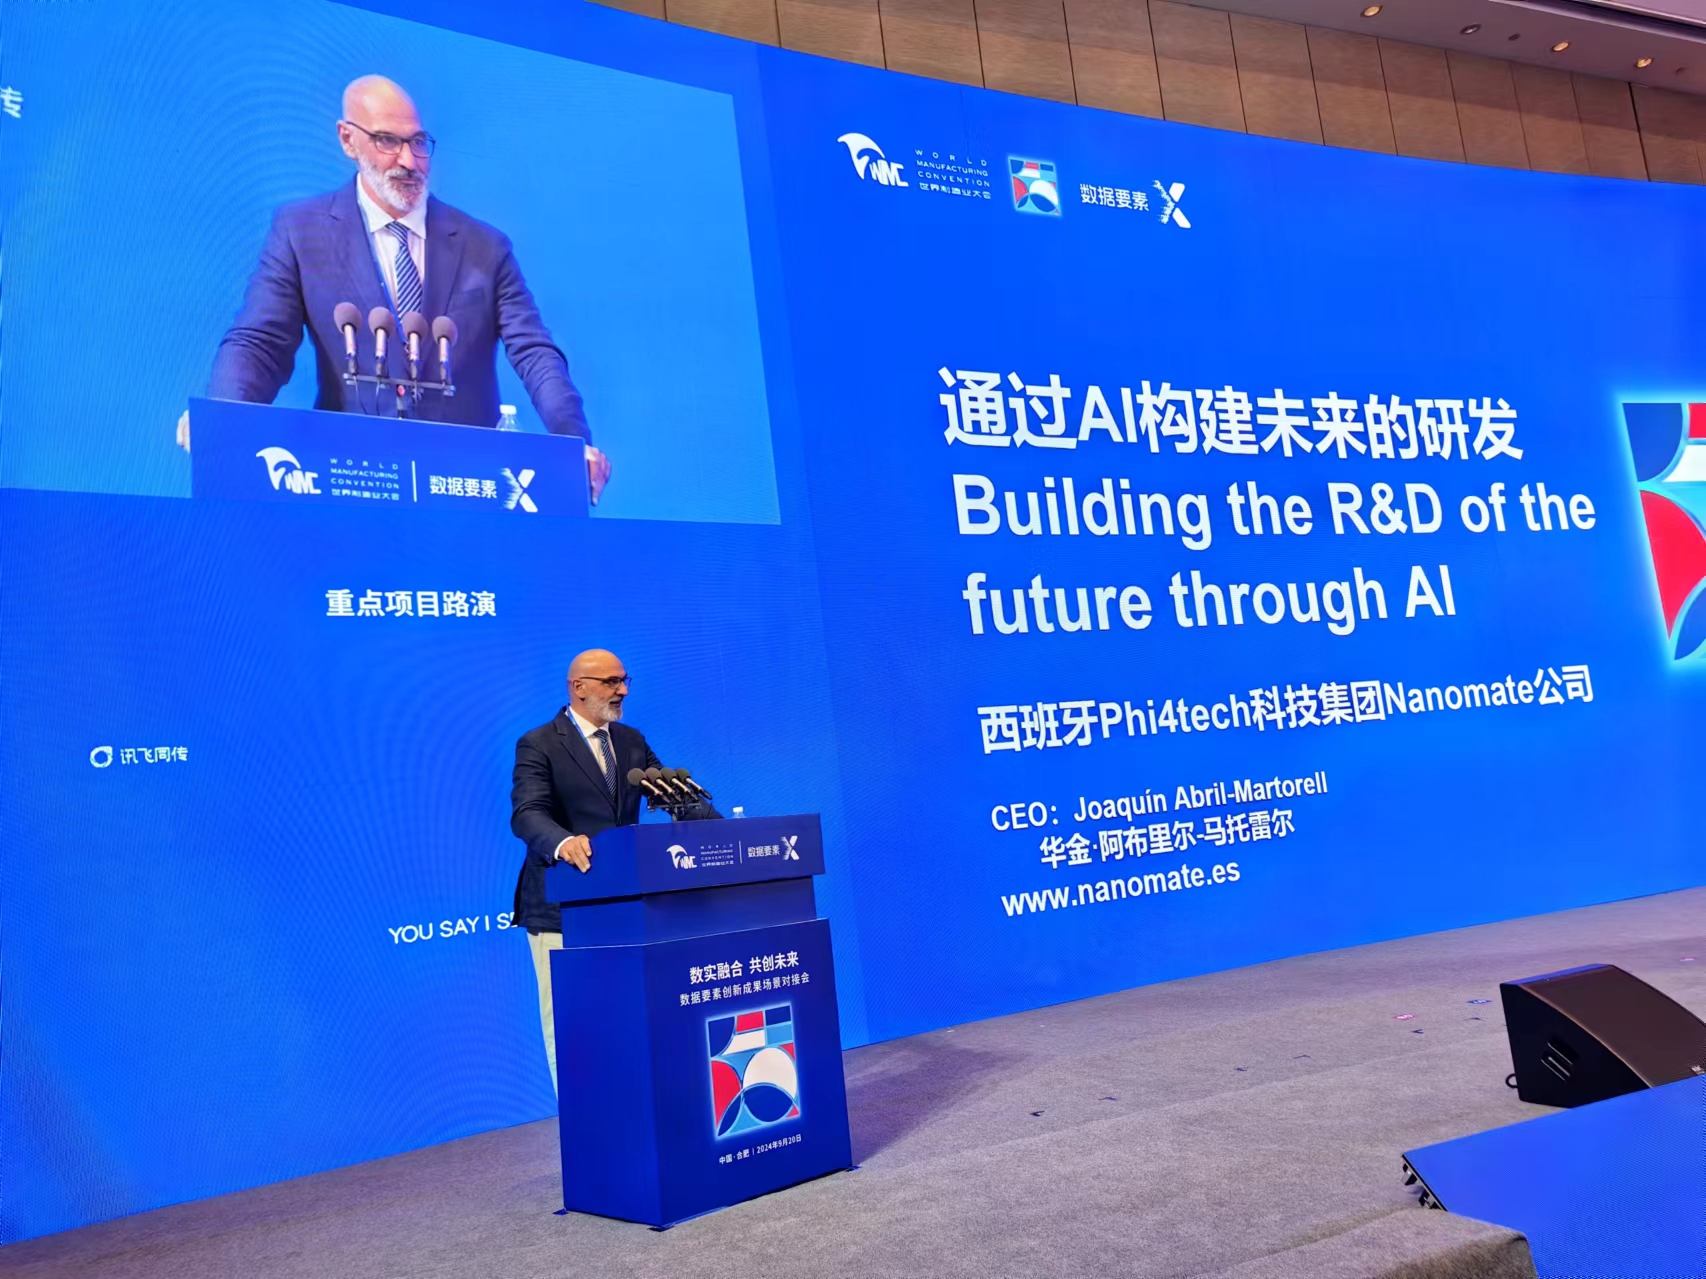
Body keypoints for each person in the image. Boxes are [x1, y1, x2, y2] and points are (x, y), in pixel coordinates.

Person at [182, 75, 611, 502]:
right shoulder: (301, 231)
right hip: (351, 483)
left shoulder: (485, 247)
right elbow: (260, 344)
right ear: (348, 140)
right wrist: (223, 416)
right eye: (387, 141)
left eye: (418, 142)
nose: (409, 160)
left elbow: (535, 353)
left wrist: (572, 442)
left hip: (465, 489)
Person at [510, 649, 717, 1088]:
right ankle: (582, 1119)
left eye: (624, 680)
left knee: (628, 1014)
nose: (622, 690)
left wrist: (724, 831)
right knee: (572, 1022)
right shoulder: (539, 743)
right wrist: (563, 842)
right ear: (578, 687)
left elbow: (671, 791)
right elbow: (528, 814)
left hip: (625, 904)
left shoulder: (630, 740)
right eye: (610, 682)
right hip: (563, 908)